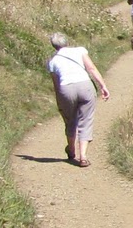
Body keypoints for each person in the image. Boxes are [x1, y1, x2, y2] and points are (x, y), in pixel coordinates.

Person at [46, 33, 110, 167]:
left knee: (70, 121)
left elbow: (56, 85)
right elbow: (91, 68)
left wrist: (60, 101)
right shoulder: (80, 51)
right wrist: (103, 85)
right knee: (86, 121)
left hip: (66, 89)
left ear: (54, 46)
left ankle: (71, 149)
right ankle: (83, 156)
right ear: (67, 42)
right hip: (85, 86)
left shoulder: (53, 62)